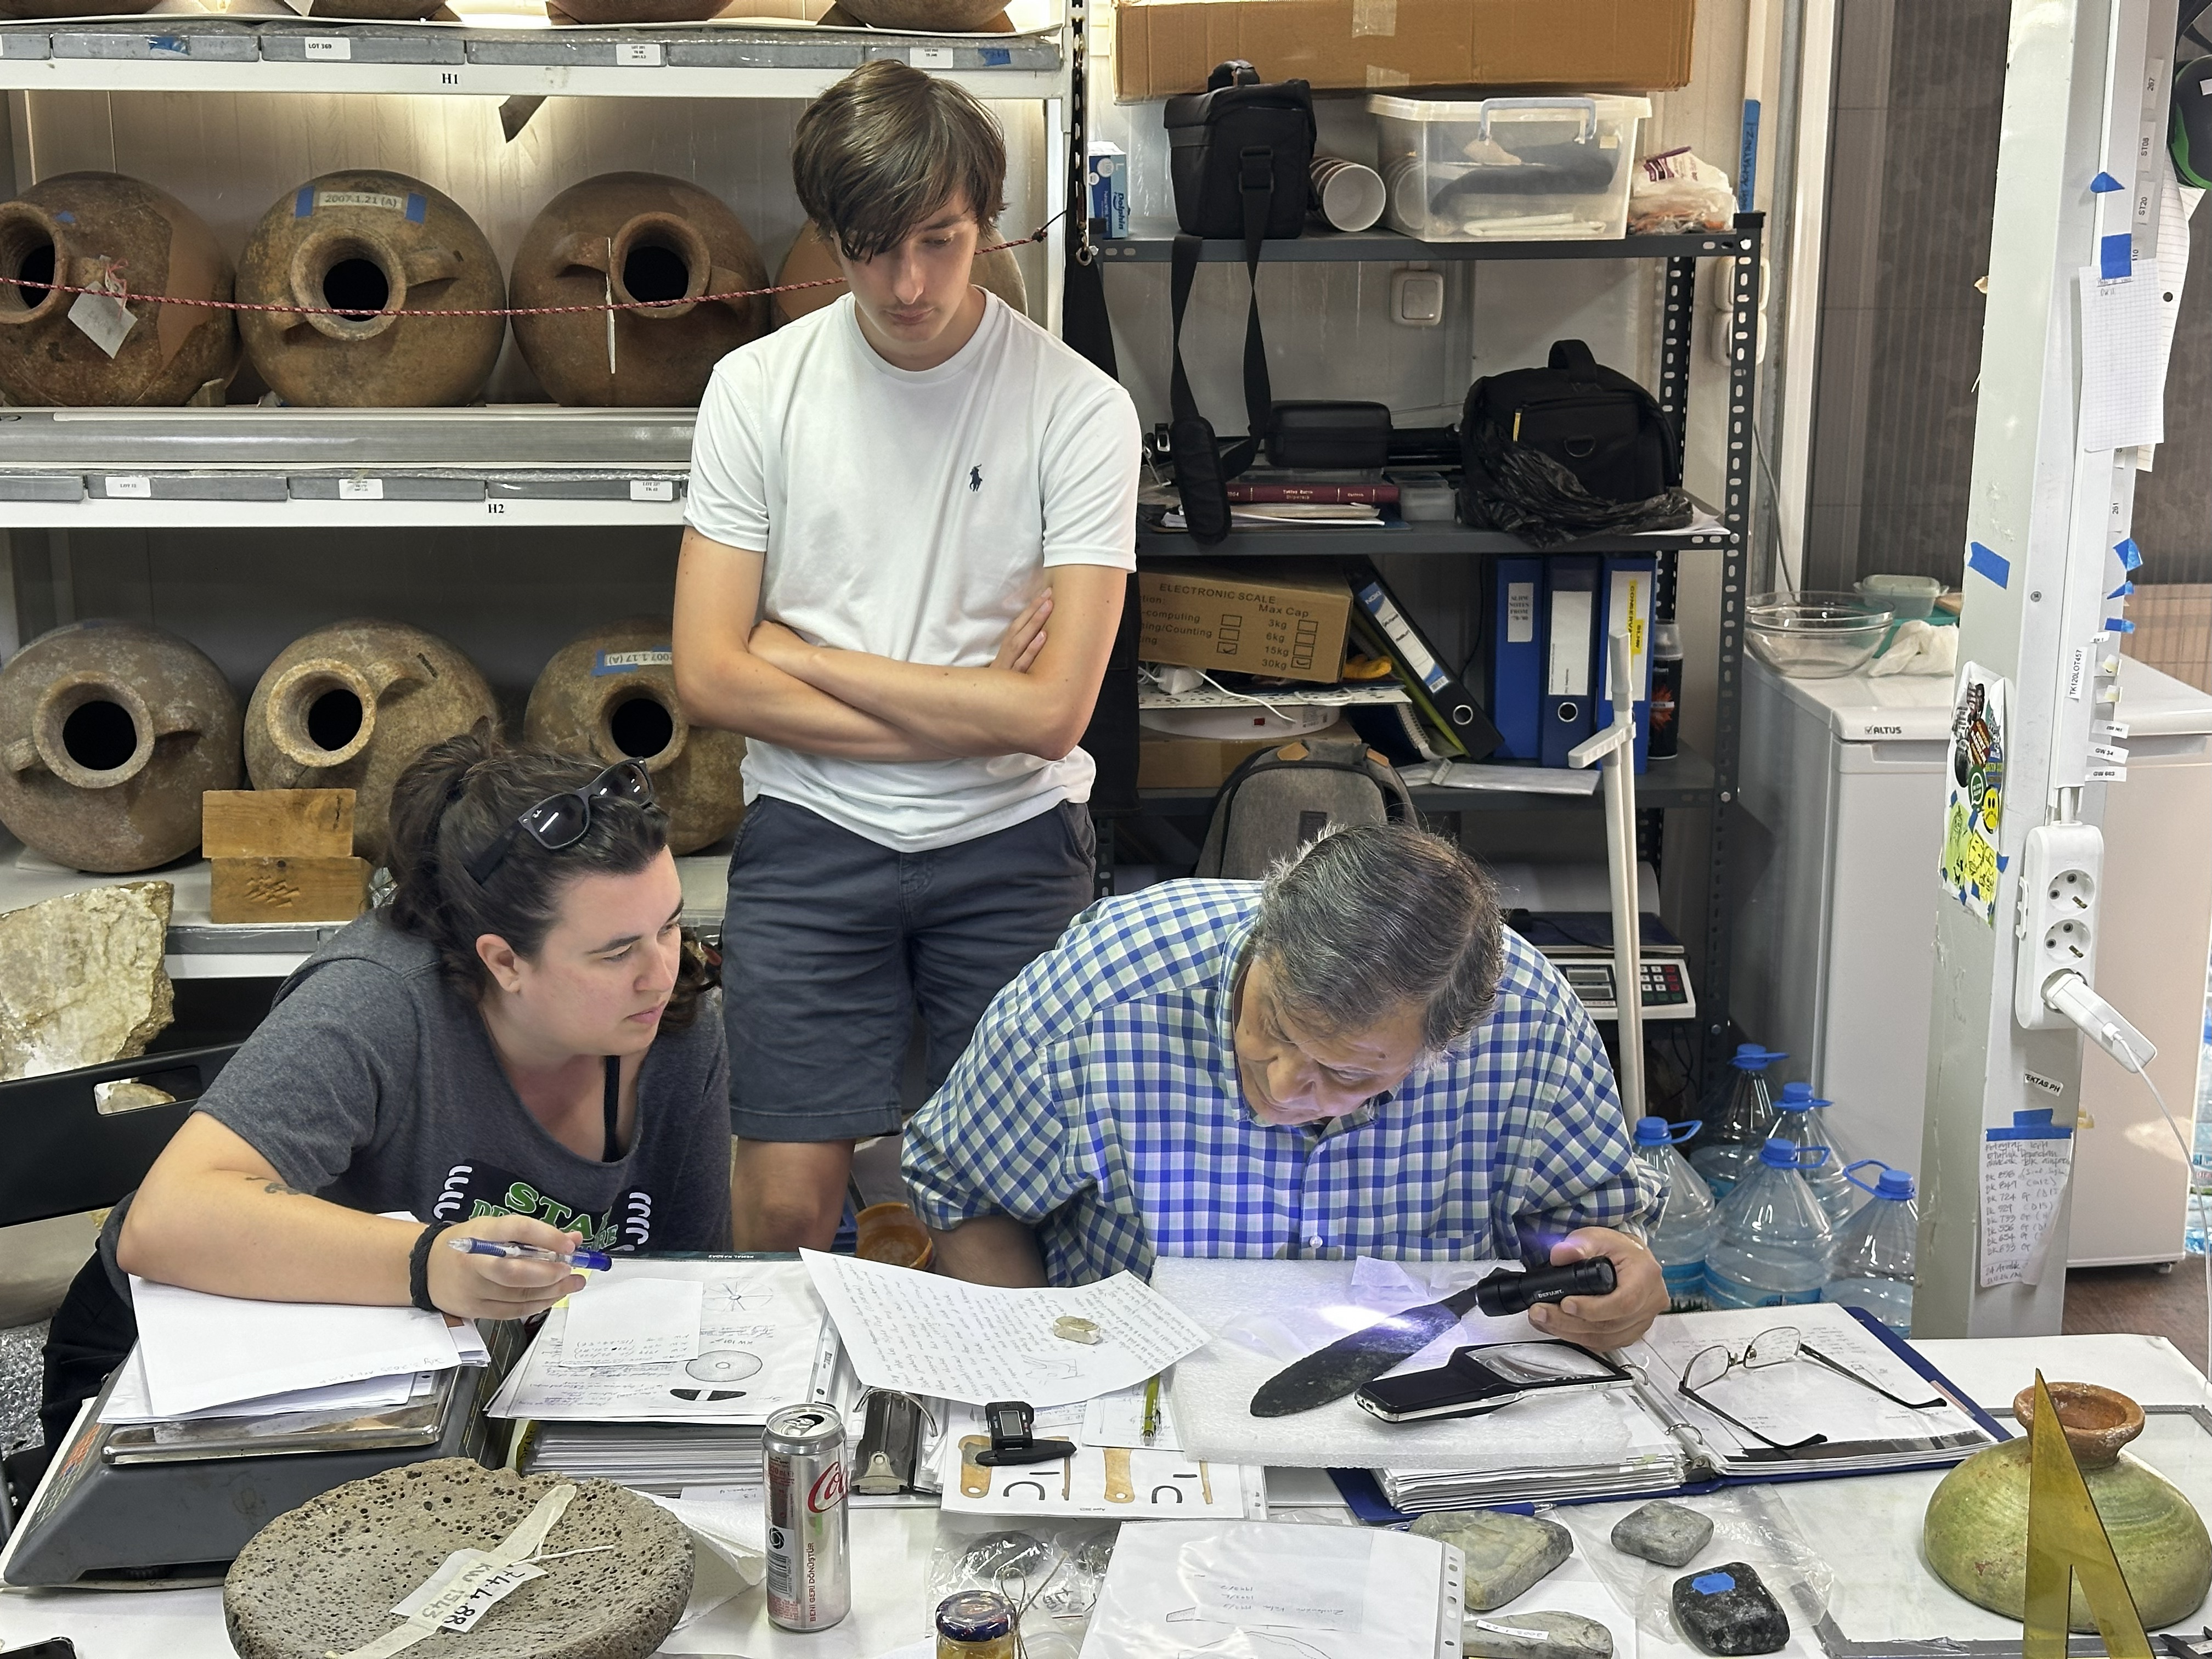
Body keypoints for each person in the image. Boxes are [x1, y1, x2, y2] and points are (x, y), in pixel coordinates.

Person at [673, 60, 1142, 1251]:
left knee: (995, 1218)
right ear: (829, 235)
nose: (909, 284)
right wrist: (975, 703)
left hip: (1012, 838)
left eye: (941, 241)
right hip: (813, 830)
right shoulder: (754, 390)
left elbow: (1052, 718)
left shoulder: (1080, 409)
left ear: (989, 221)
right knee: (785, 1204)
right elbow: (710, 677)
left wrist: (810, 659)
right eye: (873, 249)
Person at [24, 733, 733, 1484]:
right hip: (178, 1361)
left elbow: (691, 1285)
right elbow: (164, 1223)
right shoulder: (376, 1001)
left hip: (444, 1380)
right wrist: (428, 1263)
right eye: (616, 952)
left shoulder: (677, 1024)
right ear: (504, 961)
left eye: (670, 925)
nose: (660, 973)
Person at [901, 825, 1670, 1351]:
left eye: (1347, 1073)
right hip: (1140, 1380)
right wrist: (1045, 1365)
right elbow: (963, 1192)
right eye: (1273, 1025)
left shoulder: (1529, 1025)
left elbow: (1588, 1230)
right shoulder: (1105, 992)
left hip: (1421, 1394)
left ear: (1447, 1046)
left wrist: (1616, 1277)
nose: (1281, 1085)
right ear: (1263, 937)